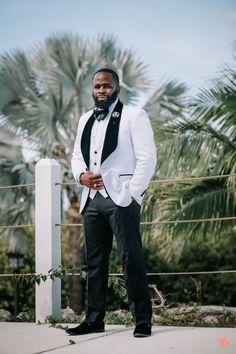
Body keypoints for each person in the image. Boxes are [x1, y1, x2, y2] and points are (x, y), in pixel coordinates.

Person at [67, 68, 157, 337]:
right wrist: (81, 176)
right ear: (92, 89)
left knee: (131, 258)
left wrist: (132, 194)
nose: (101, 90)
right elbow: (75, 157)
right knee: (94, 263)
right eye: (97, 86)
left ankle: (142, 320)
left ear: (116, 88)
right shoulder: (85, 119)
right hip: (91, 201)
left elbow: (147, 158)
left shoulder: (134, 116)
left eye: (107, 86)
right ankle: (94, 319)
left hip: (121, 199)